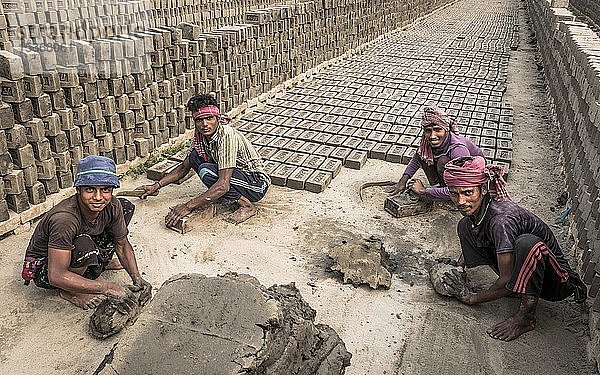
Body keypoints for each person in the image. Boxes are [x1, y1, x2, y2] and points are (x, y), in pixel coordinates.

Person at [441, 155, 587, 341]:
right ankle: (516, 288)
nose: (460, 201)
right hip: (527, 272)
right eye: (455, 193)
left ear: (484, 189)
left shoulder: (501, 220)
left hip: (556, 283)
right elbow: (475, 231)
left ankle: (526, 317)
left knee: (527, 243)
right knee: (465, 226)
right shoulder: (482, 210)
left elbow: (506, 278)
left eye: (468, 193)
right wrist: (456, 267)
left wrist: (472, 298)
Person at [21, 155, 152, 311]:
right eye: (90, 189)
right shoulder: (64, 219)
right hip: (47, 268)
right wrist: (107, 287)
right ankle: (70, 291)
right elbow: (56, 275)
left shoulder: (112, 205)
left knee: (125, 207)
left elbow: (122, 245)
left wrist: (137, 278)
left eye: (105, 190)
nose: (98, 197)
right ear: (78, 190)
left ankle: (97, 263)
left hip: (79, 243)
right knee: (84, 245)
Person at [139, 93, 270, 225]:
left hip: (256, 183)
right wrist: (156, 185)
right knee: (195, 157)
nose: (205, 124)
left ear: (217, 118)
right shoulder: (200, 138)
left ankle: (247, 206)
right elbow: (183, 168)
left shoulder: (226, 136)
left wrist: (187, 206)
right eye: (199, 120)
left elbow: (223, 185)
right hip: (238, 178)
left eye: (209, 118)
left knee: (206, 171)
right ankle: (227, 196)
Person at [388, 105, 484, 201]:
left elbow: (462, 187)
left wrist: (423, 190)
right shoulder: (426, 142)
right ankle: (437, 188)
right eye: (428, 131)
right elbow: (416, 159)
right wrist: (403, 181)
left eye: (438, 130)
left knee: (443, 161)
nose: (432, 136)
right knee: (423, 154)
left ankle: (446, 197)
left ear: (446, 130)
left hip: (470, 184)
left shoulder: (458, 150)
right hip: (455, 179)